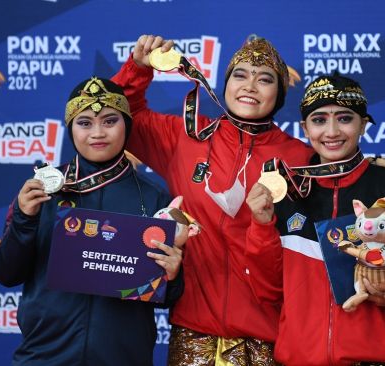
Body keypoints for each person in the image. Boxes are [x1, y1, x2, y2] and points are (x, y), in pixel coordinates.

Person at [112, 35, 311, 365]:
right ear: (225, 83)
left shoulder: (300, 158)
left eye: (265, 79)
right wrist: (138, 68)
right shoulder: (185, 137)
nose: (250, 86)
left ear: (279, 95)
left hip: (266, 339)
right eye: (240, 75)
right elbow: (124, 115)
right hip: (193, 333)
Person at [244, 74, 385, 365]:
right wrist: (260, 226)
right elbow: (267, 291)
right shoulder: (286, 193)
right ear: (304, 128)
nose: (332, 131)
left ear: (363, 124)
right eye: (319, 120)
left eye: (345, 118)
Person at [0, 77, 183, 366]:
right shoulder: (42, 189)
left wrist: (173, 275)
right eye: (84, 123)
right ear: (70, 128)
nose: (97, 133)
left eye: (109, 121)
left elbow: (167, 297)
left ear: (126, 125)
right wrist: (24, 218)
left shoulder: (154, 197)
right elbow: (5, 274)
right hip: (45, 356)